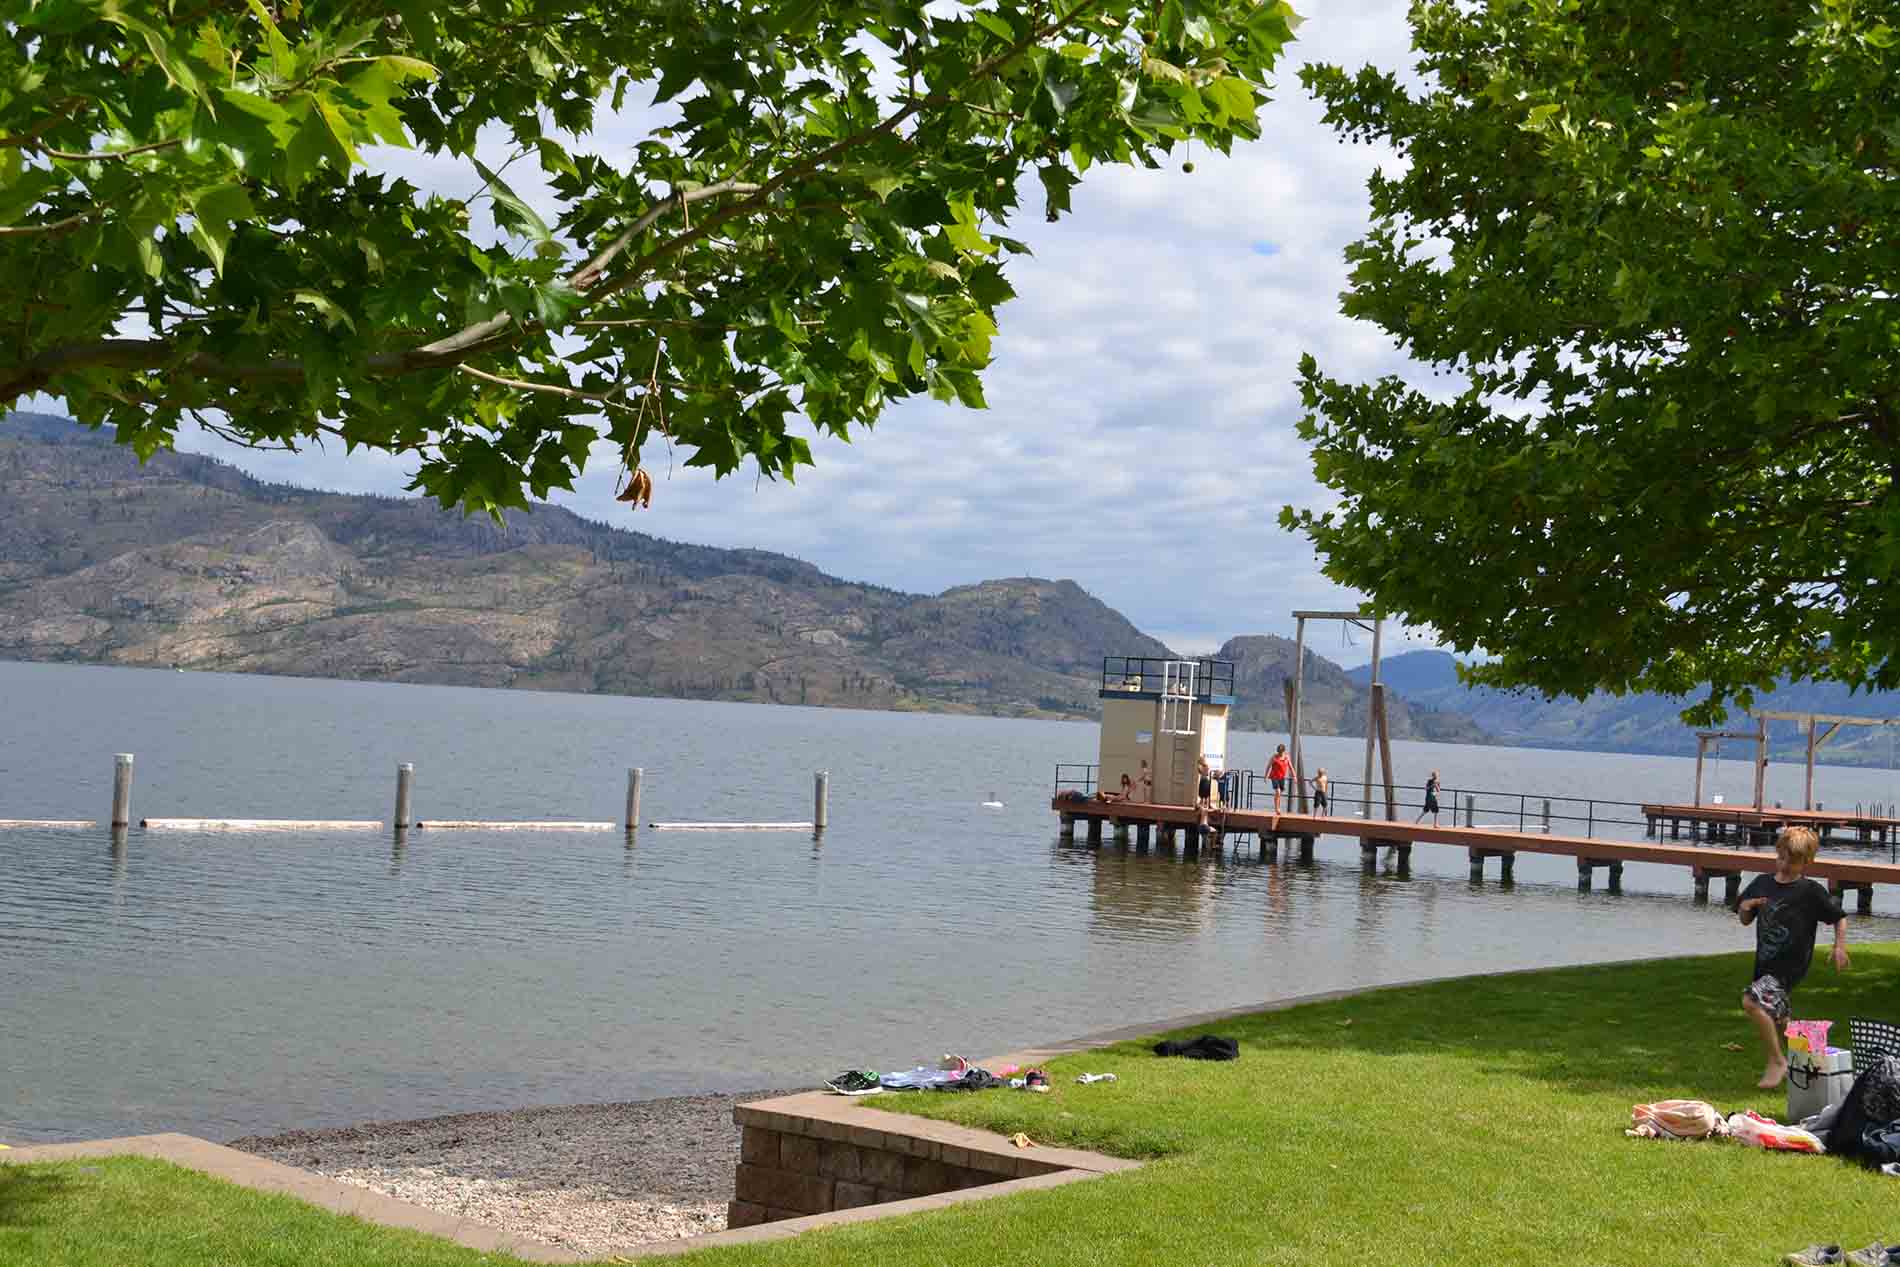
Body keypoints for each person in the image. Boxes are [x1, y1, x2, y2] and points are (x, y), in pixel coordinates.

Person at [1737, 826, 1850, 1089]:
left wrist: (1839, 947)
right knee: (1778, 1018)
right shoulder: (1761, 884)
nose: (1786, 865)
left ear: (1807, 862)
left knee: (1751, 1002)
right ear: (1777, 853)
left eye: (1794, 861)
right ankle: (1813, 1056)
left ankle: (1777, 1062)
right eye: (1782, 858)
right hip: (1764, 965)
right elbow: (1744, 920)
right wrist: (1745, 907)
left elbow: (1839, 917)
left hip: (1790, 966)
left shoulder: (1810, 891)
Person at [1266, 744, 1292, 813]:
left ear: (1284, 751)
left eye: (1281, 752)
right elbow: (1268, 766)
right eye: (1278, 752)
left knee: (1279, 794)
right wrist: (1266, 776)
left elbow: (1290, 767)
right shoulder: (1274, 757)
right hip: (1274, 776)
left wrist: (1294, 776)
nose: (1279, 753)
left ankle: (1278, 807)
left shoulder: (1287, 757)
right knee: (1278, 791)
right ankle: (1276, 809)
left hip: (1282, 777)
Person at [1195, 756, 1214, 827]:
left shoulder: (1204, 766)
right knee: (1204, 795)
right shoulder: (1205, 766)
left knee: (1203, 794)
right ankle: (1204, 804)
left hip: (1204, 781)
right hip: (1205, 780)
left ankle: (1203, 805)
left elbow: (1201, 772)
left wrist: (1199, 767)